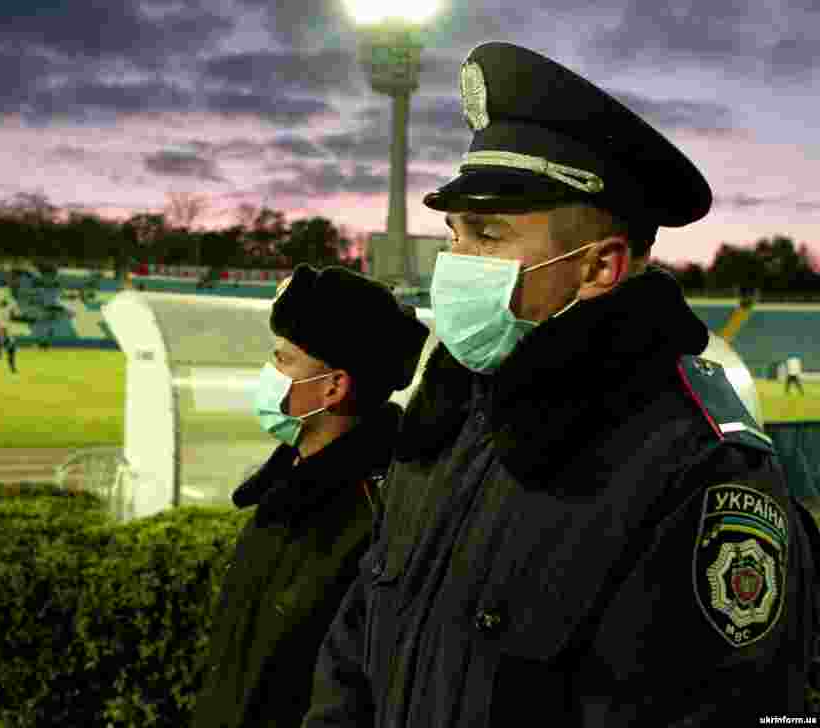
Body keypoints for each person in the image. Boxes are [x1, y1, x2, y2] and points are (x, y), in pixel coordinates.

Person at [303, 42, 817, 726]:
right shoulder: (452, 411)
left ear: (600, 268)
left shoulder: (695, 474)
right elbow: (360, 641)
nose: (454, 264)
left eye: (487, 235)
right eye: (454, 234)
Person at [190, 264, 429, 728]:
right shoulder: (284, 488)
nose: (268, 372)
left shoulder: (378, 513)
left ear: (334, 387)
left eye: (282, 360)